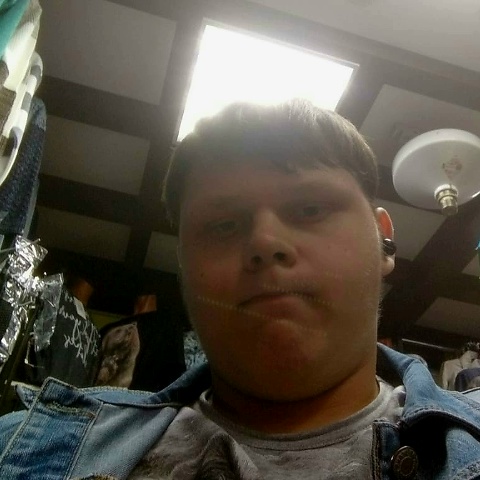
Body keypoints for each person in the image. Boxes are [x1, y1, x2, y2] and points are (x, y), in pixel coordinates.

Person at [1, 100, 480, 479]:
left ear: (383, 240)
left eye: (310, 209)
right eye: (223, 225)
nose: (265, 242)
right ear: (183, 267)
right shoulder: (18, 447)